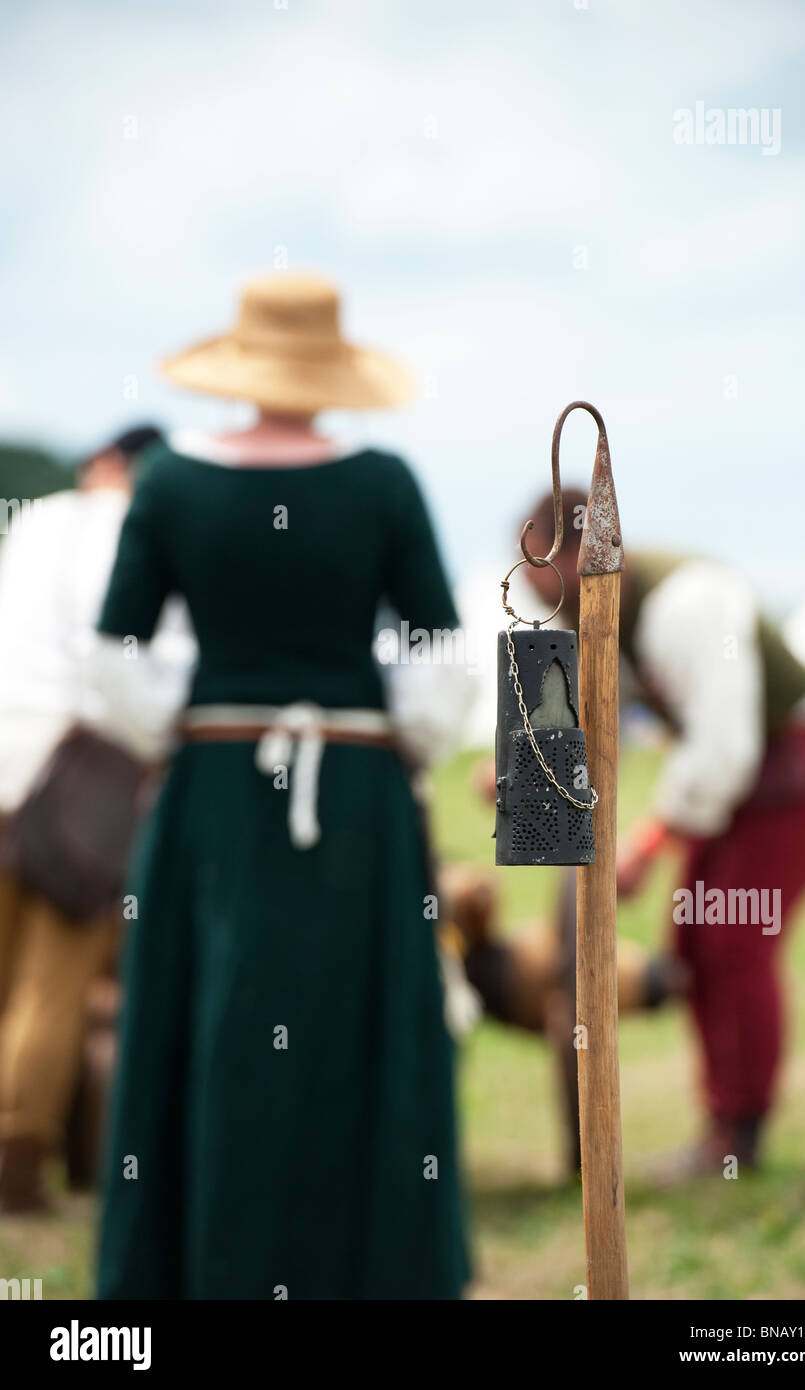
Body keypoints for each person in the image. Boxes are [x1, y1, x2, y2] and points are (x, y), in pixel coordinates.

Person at [95, 273, 471, 1299]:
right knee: (360, 1021)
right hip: (355, 796)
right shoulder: (386, 481)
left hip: (214, 795)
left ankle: (199, 1267)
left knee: (218, 1015)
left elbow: (117, 655)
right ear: (333, 367)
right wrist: (406, 737)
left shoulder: (168, 480)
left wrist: (193, 721)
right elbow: (441, 656)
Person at [516, 487, 805, 1179]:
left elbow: (724, 746)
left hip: (799, 763)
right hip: (752, 775)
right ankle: (723, 1123)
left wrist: (646, 844)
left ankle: (738, 1132)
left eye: (550, 574)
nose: (545, 594)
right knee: (695, 935)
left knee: (733, 939)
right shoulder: (595, 607)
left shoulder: (689, 602)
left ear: (590, 551)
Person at [0, 425, 176, 1212]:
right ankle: (15, 1160)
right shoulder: (144, 533)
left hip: (10, 759)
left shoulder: (35, 519)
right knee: (52, 984)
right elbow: (140, 675)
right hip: (84, 788)